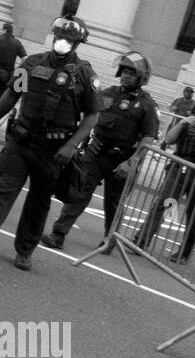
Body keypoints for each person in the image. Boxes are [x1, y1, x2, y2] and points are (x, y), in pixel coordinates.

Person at [0, 16, 100, 271]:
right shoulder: (32, 64)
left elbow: (92, 115)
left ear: (77, 43)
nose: (63, 42)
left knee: (39, 202)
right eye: (60, 36)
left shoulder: (85, 75)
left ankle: (24, 251)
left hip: (53, 151)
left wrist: (72, 145)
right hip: (20, 142)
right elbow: (12, 95)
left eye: (69, 39)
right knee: (1, 191)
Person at [40, 52, 159, 250]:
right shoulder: (107, 94)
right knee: (78, 193)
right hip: (95, 154)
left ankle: (109, 240)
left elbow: (148, 137)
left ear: (141, 77)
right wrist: (81, 145)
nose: (126, 76)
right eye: (124, 71)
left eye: (131, 73)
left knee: (114, 203)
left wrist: (132, 162)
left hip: (122, 159)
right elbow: (92, 118)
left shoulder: (147, 104)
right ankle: (58, 234)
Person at [131, 84, 195, 263]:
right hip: (179, 168)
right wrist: (182, 123)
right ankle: (141, 240)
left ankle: (184, 253)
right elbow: (169, 139)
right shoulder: (190, 116)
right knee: (165, 204)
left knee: (194, 215)